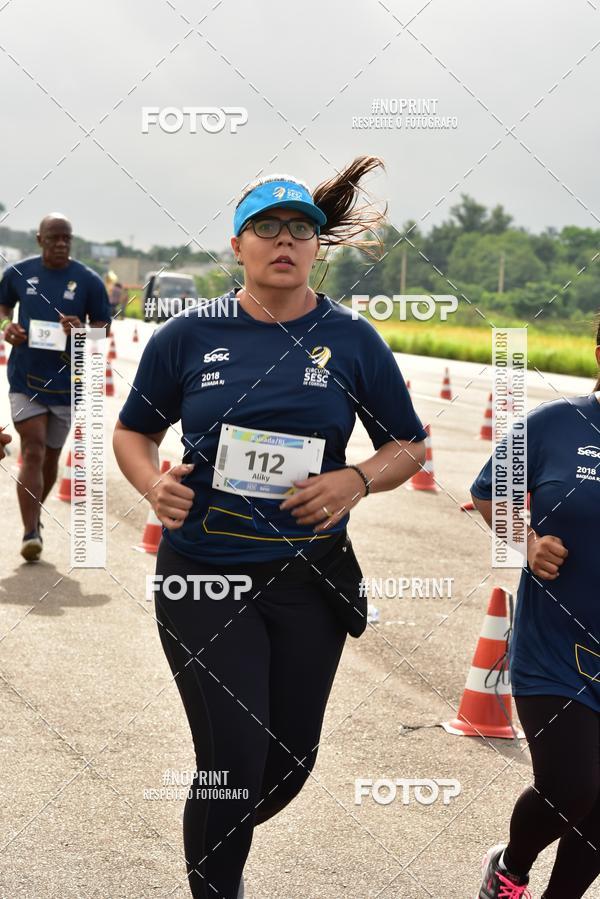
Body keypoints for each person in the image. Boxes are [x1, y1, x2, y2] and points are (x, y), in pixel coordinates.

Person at [113, 155, 428, 899]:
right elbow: (132, 434)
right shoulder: (187, 336)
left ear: (317, 246)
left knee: (286, 764)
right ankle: (219, 885)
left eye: (299, 229)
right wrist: (152, 483)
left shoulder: (351, 340)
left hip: (308, 579)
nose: (283, 240)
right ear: (238, 246)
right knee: (231, 758)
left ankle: (212, 843)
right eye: (265, 228)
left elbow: (408, 444)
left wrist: (355, 479)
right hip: (203, 573)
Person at [471, 320, 600, 899]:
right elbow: (486, 491)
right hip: (556, 649)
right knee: (572, 785)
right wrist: (525, 542)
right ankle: (510, 866)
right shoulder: (556, 425)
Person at [0, 213, 112, 561]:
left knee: (50, 458)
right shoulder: (19, 273)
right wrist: (7, 325)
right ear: (40, 240)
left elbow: (103, 328)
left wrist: (82, 331)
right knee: (31, 450)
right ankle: (30, 531)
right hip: (25, 379)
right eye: (54, 238)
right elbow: (2, 307)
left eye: (67, 238)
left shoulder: (88, 280)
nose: (61, 244)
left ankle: (34, 516)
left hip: (66, 384)